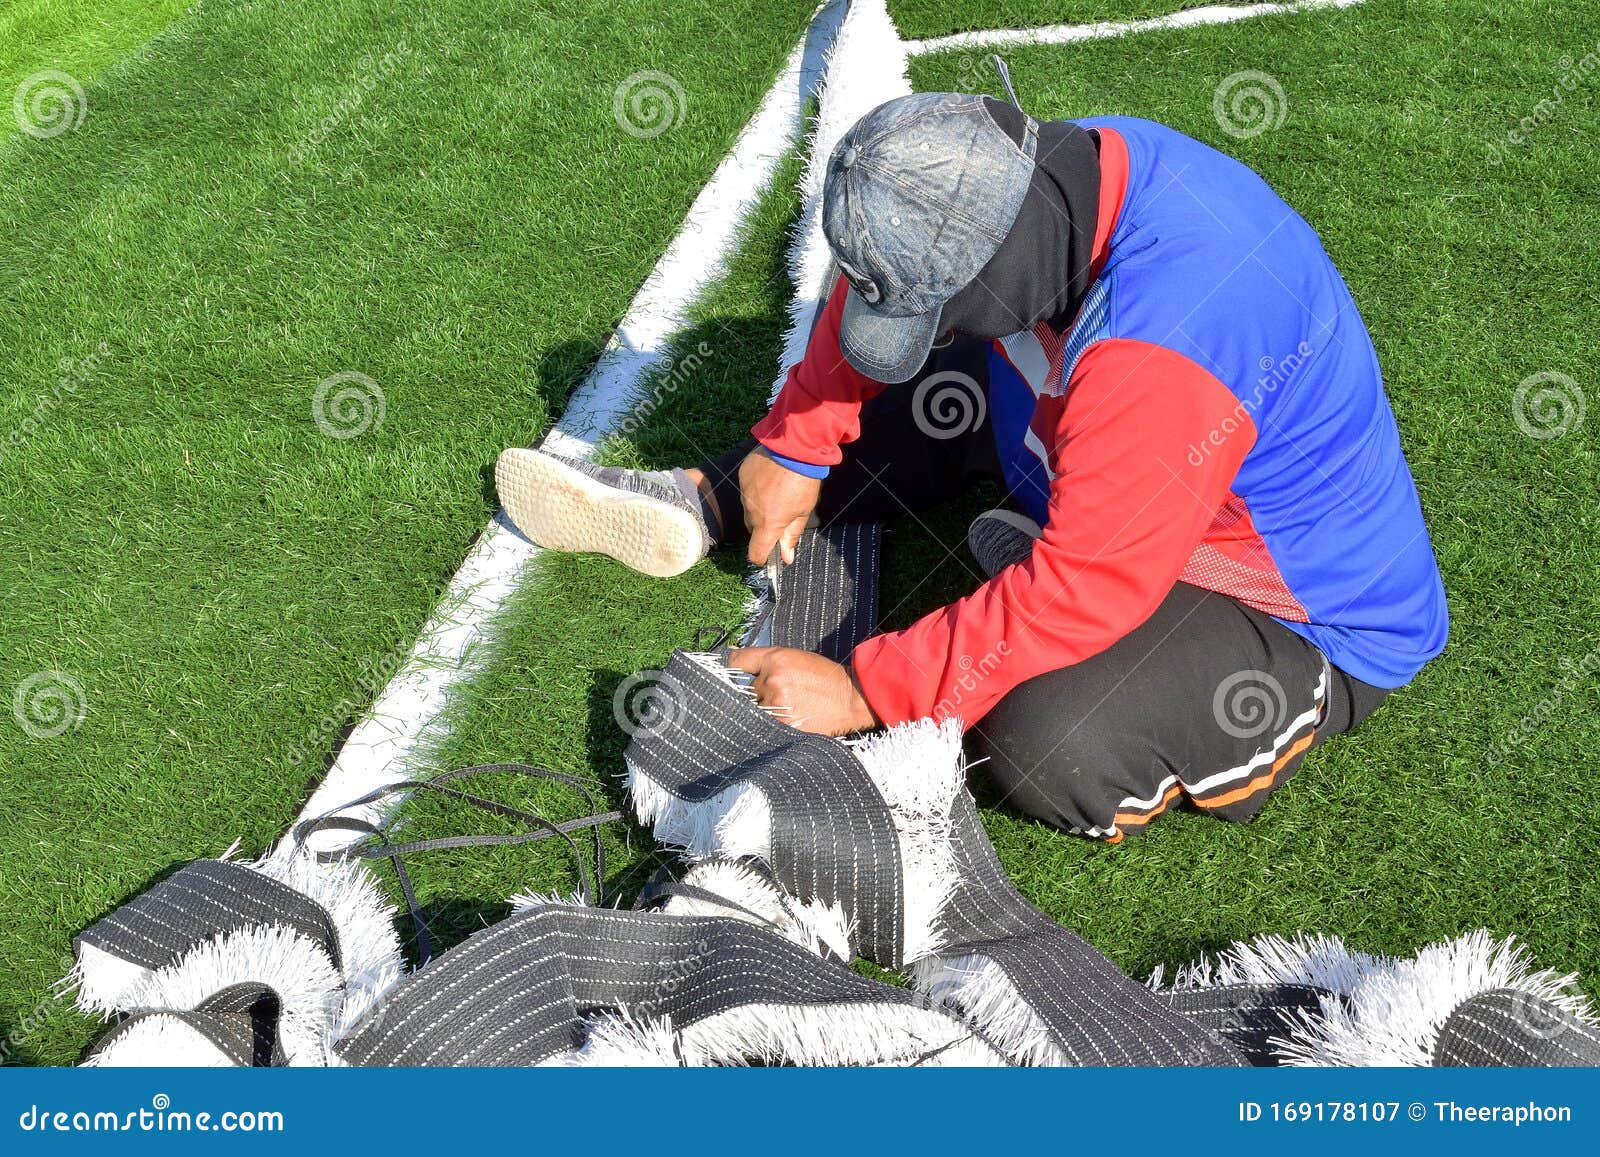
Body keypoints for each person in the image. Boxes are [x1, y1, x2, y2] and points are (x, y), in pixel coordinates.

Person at [495, 91, 1448, 842]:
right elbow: (890, 259)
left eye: (942, 304)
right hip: (1123, 471)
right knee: (923, 381)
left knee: (1049, 744)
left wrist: (869, 690)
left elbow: (1087, 583)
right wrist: (795, 443)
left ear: (1006, 265)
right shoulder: (1053, 175)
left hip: (1280, 604)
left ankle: (1249, 688)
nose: (924, 322)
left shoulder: (1170, 343)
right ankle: (711, 497)